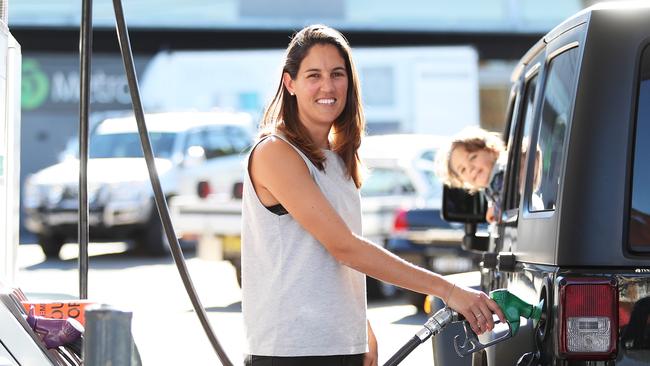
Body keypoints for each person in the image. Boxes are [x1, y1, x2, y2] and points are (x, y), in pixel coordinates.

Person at [241, 25, 505, 366]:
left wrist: (360, 328)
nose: (327, 86)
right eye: (313, 75)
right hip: (292, 350)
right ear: (289, 83)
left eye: (337, 74)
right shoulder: (276, 152)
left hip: (339, 344)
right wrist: (448, 290)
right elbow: (344, 246)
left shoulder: (337, 161)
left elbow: (332, 263)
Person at [435, 127, 506, 223]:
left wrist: (496, 211)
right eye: (463, 170)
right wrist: (492, 205)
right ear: (462, 181)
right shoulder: (490, 187)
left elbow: (505, 198)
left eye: (473, 157)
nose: (470, 168)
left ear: (492, 150)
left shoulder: (501, 174)